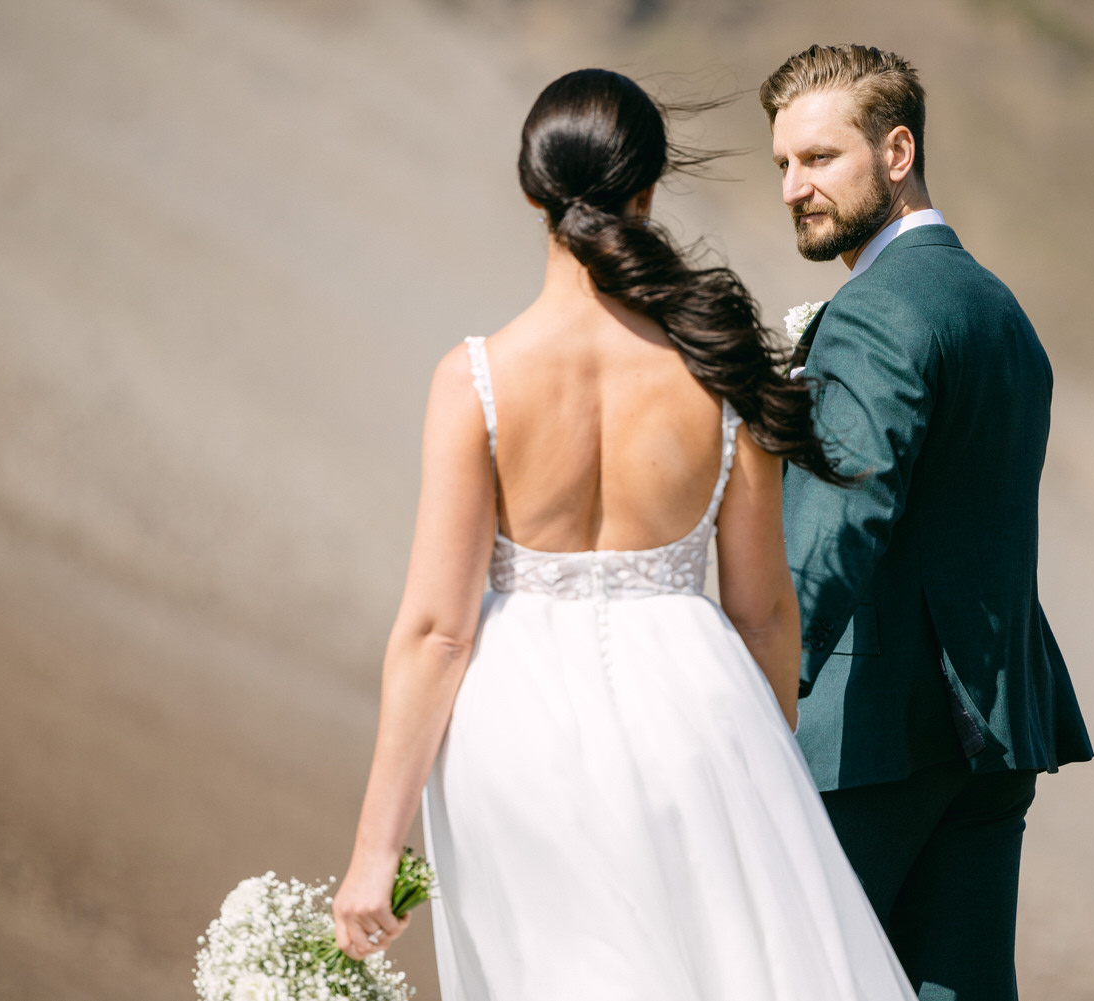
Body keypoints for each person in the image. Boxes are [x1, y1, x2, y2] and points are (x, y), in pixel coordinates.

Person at [331, 68, 918, 1001]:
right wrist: (762, 778)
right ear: (648, 191)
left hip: (514, 738)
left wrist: (374, 852)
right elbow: (765, 611)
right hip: (697, 721)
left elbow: (438, 632)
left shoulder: (476, 379)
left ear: (532, 191)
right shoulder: (720, 368)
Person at [762, 44, 1094, 1001]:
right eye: (782, 163)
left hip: (866, 740)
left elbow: (840, 519)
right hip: (989, 732)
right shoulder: (997, 308)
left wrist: (758, 687)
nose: (793, 187)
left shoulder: (877, 312)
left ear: (897, 150)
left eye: (820, 159)